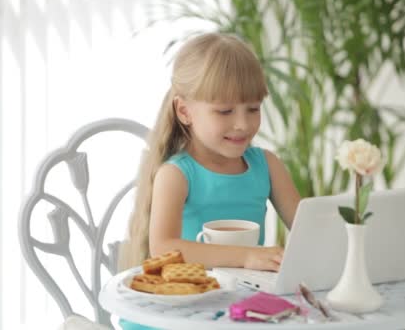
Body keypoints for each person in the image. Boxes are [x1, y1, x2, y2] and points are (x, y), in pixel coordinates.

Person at [118, 32, 301, 329]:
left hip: (233, 313)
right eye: (225, 111)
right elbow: (164, 250)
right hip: (176, 315)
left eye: (253, 108)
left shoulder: (267, 165)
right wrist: (247, 256)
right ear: (184, 111)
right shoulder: (177, 174)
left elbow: (310, 228)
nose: (242, 124)